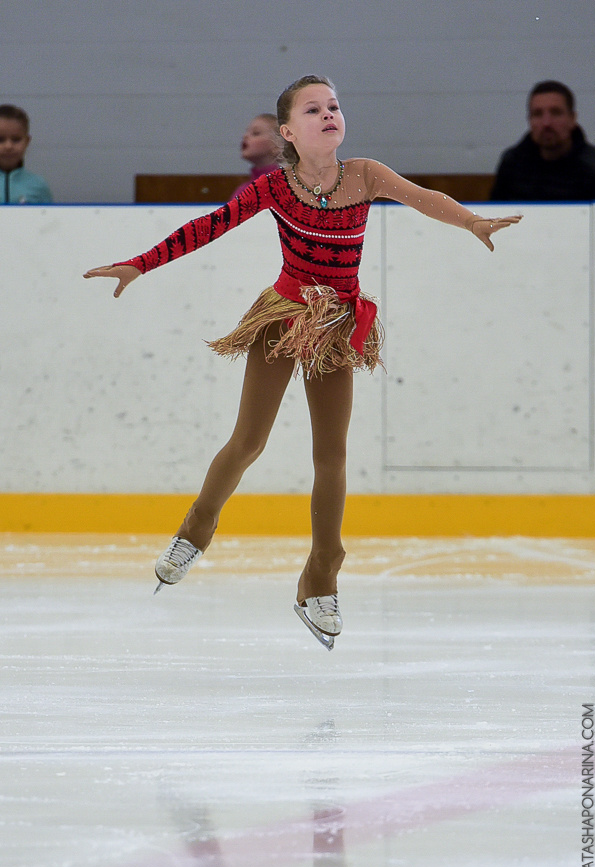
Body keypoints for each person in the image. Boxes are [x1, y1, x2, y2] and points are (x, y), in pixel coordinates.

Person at [84, 74, 521, 649]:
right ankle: (198, 523)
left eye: (335, 106)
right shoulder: (274, 187)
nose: (329, 114)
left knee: (331, 455)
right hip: (283, 316)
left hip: (338, 324)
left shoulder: (364, 174)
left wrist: (472, 221)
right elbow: (206, 227)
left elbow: (423, 197)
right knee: (249, 441)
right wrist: (140, 264)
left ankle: (322, 571)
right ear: (289, 131)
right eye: (314, 109)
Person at [490, 80, 595, 202]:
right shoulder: (512, 164)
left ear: (572, 118)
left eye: (555, 113)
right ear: (529, 120)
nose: (546, 123)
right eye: (538, 114)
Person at [0, 104, 53, 204]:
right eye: (1, 140)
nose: (8, 146)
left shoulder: (38, 186)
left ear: (27, 142)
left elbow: (49, 218)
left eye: (16, 140)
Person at [231, 112, 280, 197]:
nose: (245, 136)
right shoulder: (243, 190)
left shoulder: (285, 187)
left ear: (278, 145)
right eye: (246, 132)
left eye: (256, 133)